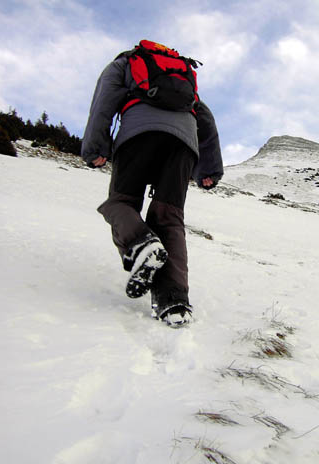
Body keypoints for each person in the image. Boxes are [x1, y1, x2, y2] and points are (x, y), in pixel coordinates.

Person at [81, 41, 223, 326]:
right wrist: (210, 169)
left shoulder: (125, 64)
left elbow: (104, 103)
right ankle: (174, 302)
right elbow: (205, 118)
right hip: (183, 143)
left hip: (138, 136)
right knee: (169, 217)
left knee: (121, 203)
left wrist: (95, 148)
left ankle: (140, 243)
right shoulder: (182, 76)